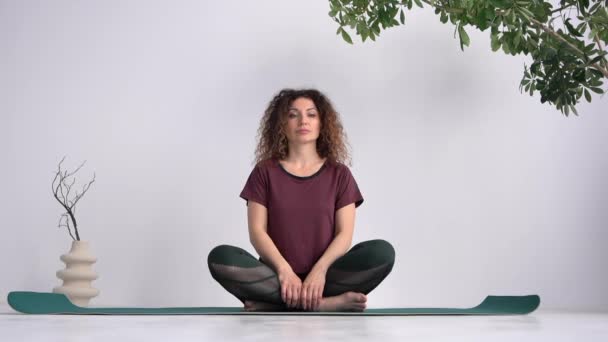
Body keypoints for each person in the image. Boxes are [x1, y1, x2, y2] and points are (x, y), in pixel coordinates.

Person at [207, 88, 395, 312]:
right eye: (293, 114)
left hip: (327, 278)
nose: (303, 120)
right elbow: (257, 232)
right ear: (282, 125)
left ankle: (276, 306)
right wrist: (284, 271)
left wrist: (320, 271)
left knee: (381, 253)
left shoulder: (339, 173)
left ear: (322, 123)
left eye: (311, 114)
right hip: (275, 277)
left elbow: (344, 235)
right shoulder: (264, 172)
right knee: (221, 257)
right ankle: (326, 305)